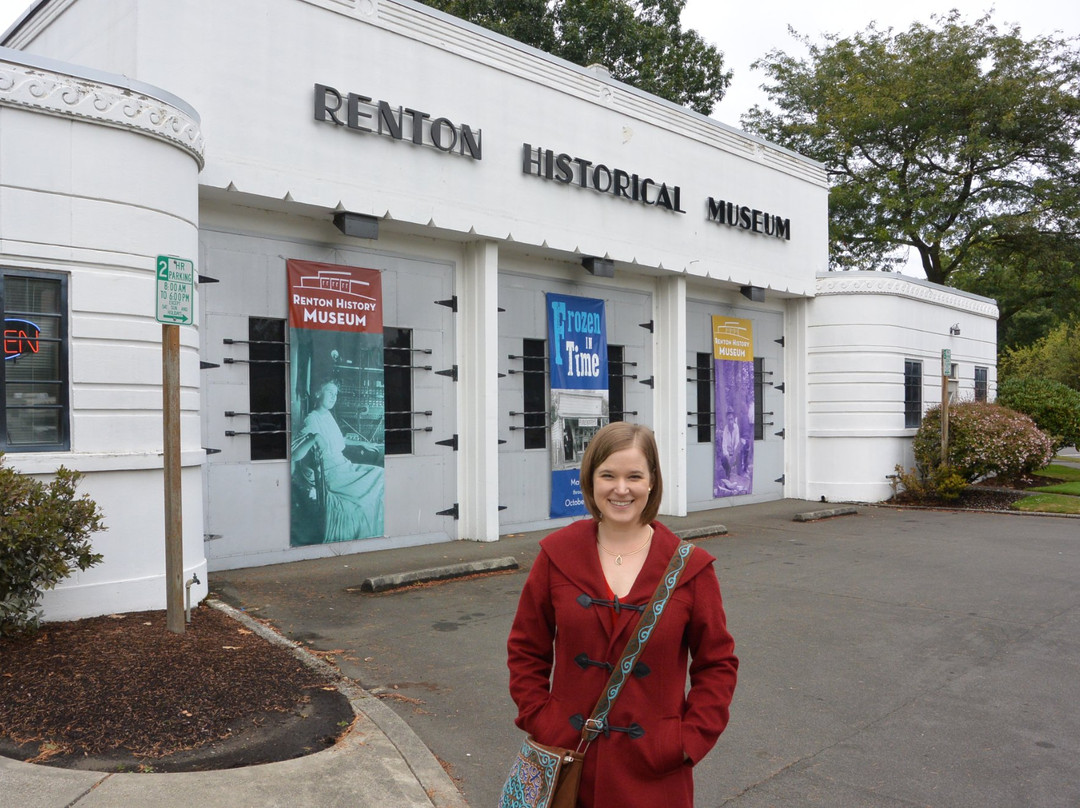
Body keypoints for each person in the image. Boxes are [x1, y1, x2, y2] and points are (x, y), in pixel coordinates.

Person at [506, 422, 738, 808]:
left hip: (656, 773)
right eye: (608, 475)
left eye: (634, 476)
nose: (621, 489)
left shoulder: (690, 568)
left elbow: (717, 664)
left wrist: (687, 740)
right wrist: (542, 719)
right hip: (569, 764)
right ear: (590, 479)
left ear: (652, 481)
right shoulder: (556, 556)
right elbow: (526, 649)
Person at [291, 379, 384, 542]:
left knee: (380, 473)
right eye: (330, 392)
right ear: (318, 394)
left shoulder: (327, 415)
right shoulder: (312, 419)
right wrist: (314, 437)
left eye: (336, 394)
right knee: (375, 485)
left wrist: (361, 443)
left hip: (345, 466)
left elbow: (338, 439)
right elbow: (294, 455)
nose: (334, 397)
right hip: (334, 474)